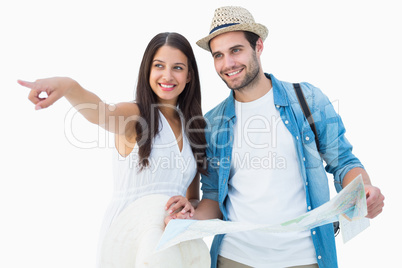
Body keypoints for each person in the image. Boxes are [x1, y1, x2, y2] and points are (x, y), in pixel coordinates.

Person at [189, 6, 385, 268]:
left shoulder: (307, 100)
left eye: (236, 50)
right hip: (235, 257)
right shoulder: (212, 123)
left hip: (305, 258)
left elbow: (344, 162)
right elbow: (213, 196)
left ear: (258, 46)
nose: (227, 64)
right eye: (218, 55)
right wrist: (189, 218)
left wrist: (365, 192)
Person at [18, 32, 211, 267]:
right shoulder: (135, 115)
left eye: (178, 68)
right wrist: (69, 86)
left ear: (189, 75)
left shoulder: (193, 127)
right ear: (147, 70)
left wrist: (189, 207)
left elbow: (193, 198)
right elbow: (100, 113)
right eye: (158, 65)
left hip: (171, 244)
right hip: (127, 239)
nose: (167, 75)